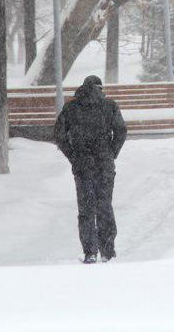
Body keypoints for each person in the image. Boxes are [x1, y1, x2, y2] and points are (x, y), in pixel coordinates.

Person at [53, 75, 127, 263]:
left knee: (86, 208)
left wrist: (73, 155)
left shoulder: (71, 107)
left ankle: (90, 252)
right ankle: (108, 251)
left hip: (82, 164)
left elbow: (59, 135)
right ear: (99, 88)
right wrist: (112, 152)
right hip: (104, 163)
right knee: (104, 206)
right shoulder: (110, 106)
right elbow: (121, 131)